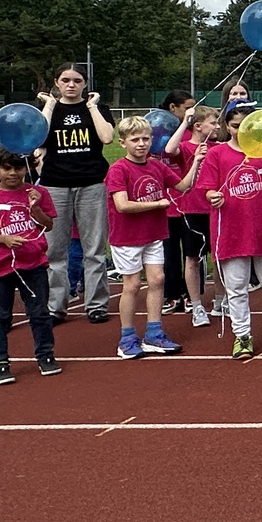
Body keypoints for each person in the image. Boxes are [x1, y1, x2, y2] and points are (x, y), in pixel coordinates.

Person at [200, 102, 262, 359]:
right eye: (234, 126)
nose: (239, 131)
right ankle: (242, 335)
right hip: (231, 230)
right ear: (226, 126)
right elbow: (207, 189)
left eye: (245, 126)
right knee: (237, 287)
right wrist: (213, 196)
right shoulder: (217, 154)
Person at [105, 116, 203, 358]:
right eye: (135, 139)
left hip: (153, 234)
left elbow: (182, 187)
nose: (141, 144)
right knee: (133, 284)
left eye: (145, 139)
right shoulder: (118, 169)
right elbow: (122, 205)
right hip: (127, 237)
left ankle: (154, 333)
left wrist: (197, 162)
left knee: (158, 280)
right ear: (122, 142)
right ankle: (127, 337)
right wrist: (156, 203)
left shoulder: (157, 166)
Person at [0, 150, 59, 385]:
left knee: (39, 312)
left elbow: (48, 225)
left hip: (33, 262)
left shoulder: (38, 193)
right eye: (7, 168)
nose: (13, 173)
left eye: (18, 168)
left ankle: (45, 355)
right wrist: (4, 240)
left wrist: (36, 207)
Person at [36, 64, 116, 323]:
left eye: (77, 80)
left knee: (94, 248)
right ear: (57, 83)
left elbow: (106, 138)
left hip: (91, 183)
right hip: (55, 184)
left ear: (85, 83)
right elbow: (38, 140)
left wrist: (92, 106)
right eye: (65, 80)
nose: (71, 85)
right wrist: (49, 105)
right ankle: (56, 306)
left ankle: (96, 304)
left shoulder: (97, 109)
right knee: (55, 250)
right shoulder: (49, 110)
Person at [164, 106, 218, 326]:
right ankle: (196, 306)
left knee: (220, 258)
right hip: (192, 210)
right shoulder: (186, 148)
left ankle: (222, 301)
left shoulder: (217, 147)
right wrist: (184, 122)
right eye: (213, 123)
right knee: (192, 258)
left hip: (215, 209)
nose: (217, 127)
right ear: (198, 126)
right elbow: (169, 149)